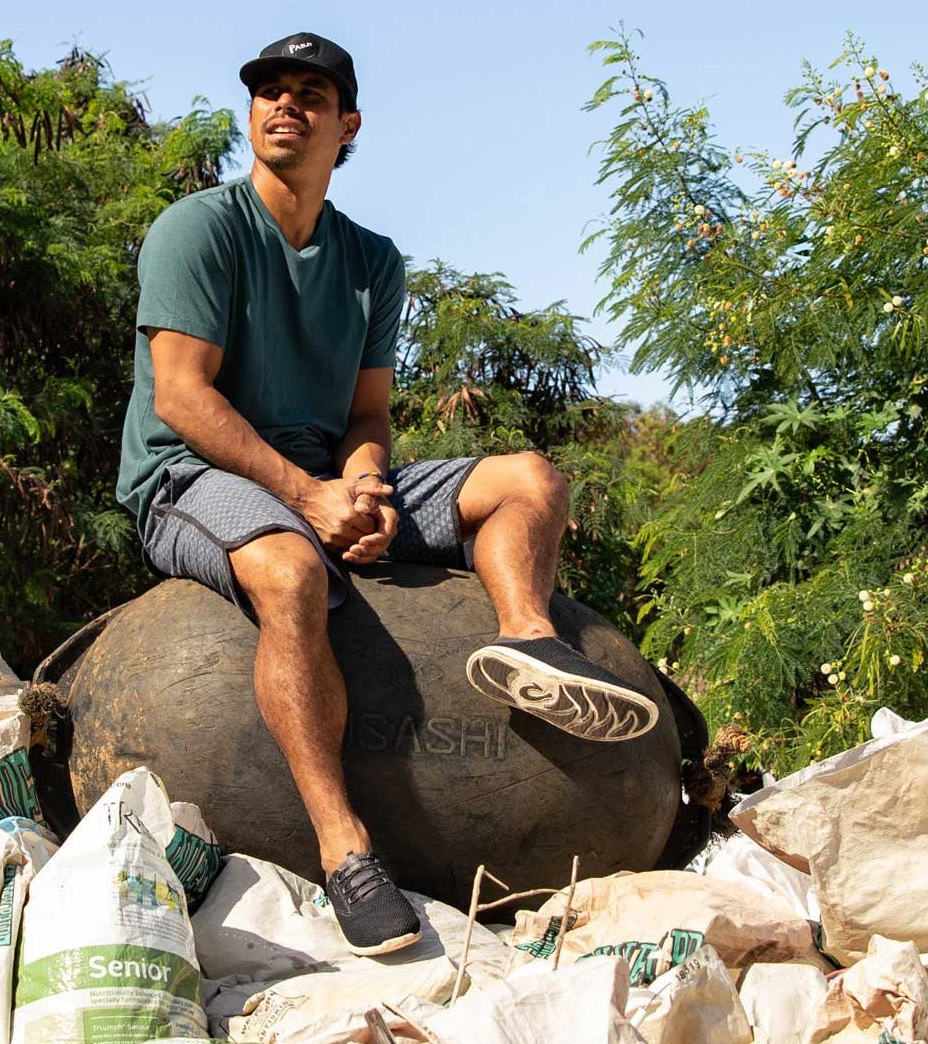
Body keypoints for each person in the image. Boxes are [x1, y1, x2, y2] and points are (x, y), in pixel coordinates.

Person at [117, 31, 660, 954]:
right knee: (288, 577)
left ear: (347, 125)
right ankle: (346, 852)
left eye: (310, 96)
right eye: (271, 92)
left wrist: (364, 485)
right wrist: (311, 500)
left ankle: (528, 642)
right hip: (191, 474)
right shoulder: (198, 229)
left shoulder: (372, 261)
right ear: (252, 114)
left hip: (323, 477)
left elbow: (369, 412)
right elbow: (182, 397)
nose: (286, 106)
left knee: (529, 479)